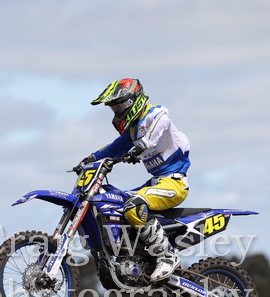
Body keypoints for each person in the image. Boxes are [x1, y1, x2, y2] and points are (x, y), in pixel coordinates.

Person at [81, 78, 191, 282]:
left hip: (174, 183)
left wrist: (142, 146)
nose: (117, 112)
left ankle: (167, 256)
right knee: (113, 203)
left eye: (119, 106)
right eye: (114, 108)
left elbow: (159, 125)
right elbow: (115, 147)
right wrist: (91, 158)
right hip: (156, 182)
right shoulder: (133, 130)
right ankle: (134, 256)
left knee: (133, 205)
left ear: (133, 102)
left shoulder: (156, 114)